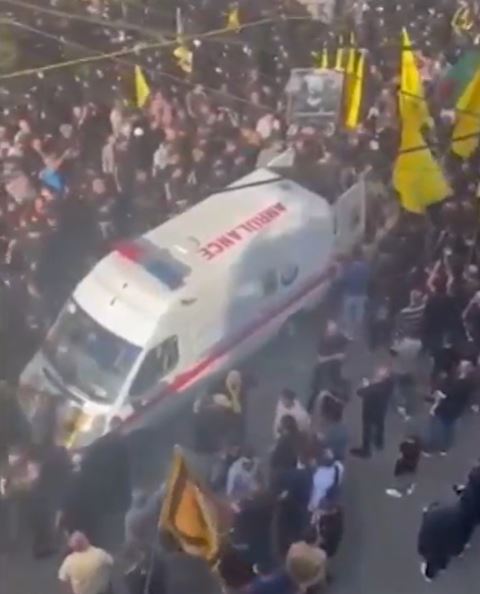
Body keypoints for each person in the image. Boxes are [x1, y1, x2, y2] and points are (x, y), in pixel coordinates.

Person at [417, 501, 469, 581]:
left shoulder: (451, 551)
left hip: (457, 517)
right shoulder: (422, 548)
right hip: (437, 512)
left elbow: (460, 546)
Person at [351, 367, 394, 458]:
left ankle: (366, 450)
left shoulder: (374, 387)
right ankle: (379, 443)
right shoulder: (389, 384)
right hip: (381, 409)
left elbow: (360, 392)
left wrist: (366, 385)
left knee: (367, 429)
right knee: (380, 425)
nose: (376, 373)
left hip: (370, 410)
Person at [309, 321, 350, 407]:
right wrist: (336, 356)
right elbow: (320, 359)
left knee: (337, 381)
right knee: (319, 385)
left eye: (335, 330)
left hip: (335, 366)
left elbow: (345, 340)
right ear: (327, 331)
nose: (333, 332)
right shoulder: (323, 341)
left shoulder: (338, 336)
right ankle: (314, 401)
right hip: (324, 367)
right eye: (331, 331)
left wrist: (348, 338)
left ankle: (341, 398)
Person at [339, 248, 370, 338]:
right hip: (361, 294)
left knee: (348, 314)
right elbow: (368, 279)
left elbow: (344, 280)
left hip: (350, 294)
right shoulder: (366, 267)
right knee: (359, 312)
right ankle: (357, 329)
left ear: (353, 256)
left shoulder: (349, 267)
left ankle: (349, 332)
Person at [390, 334, 422, 419]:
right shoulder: (418, 343)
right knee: (409, 390)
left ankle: (401, 407)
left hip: (398, 370)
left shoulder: (399, 345)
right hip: (410, 369)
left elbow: (392, 353)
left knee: (398, 390)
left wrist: (395, 343)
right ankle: (410, 406)